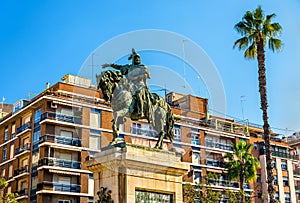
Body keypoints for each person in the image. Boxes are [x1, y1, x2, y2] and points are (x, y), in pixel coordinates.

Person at [102, 48, 153, 120]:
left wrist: (136, 77)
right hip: (130, 85)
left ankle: (140, 111)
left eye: (138, 58)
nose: (137, 59)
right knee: (122, 93)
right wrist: (109, 65)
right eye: (136, 58)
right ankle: (122, 112)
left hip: (140, 86)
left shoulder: (143, 67)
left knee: (138, 94)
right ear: (133, 59)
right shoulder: (128, 67)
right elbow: (119, 67)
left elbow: (147, 75)